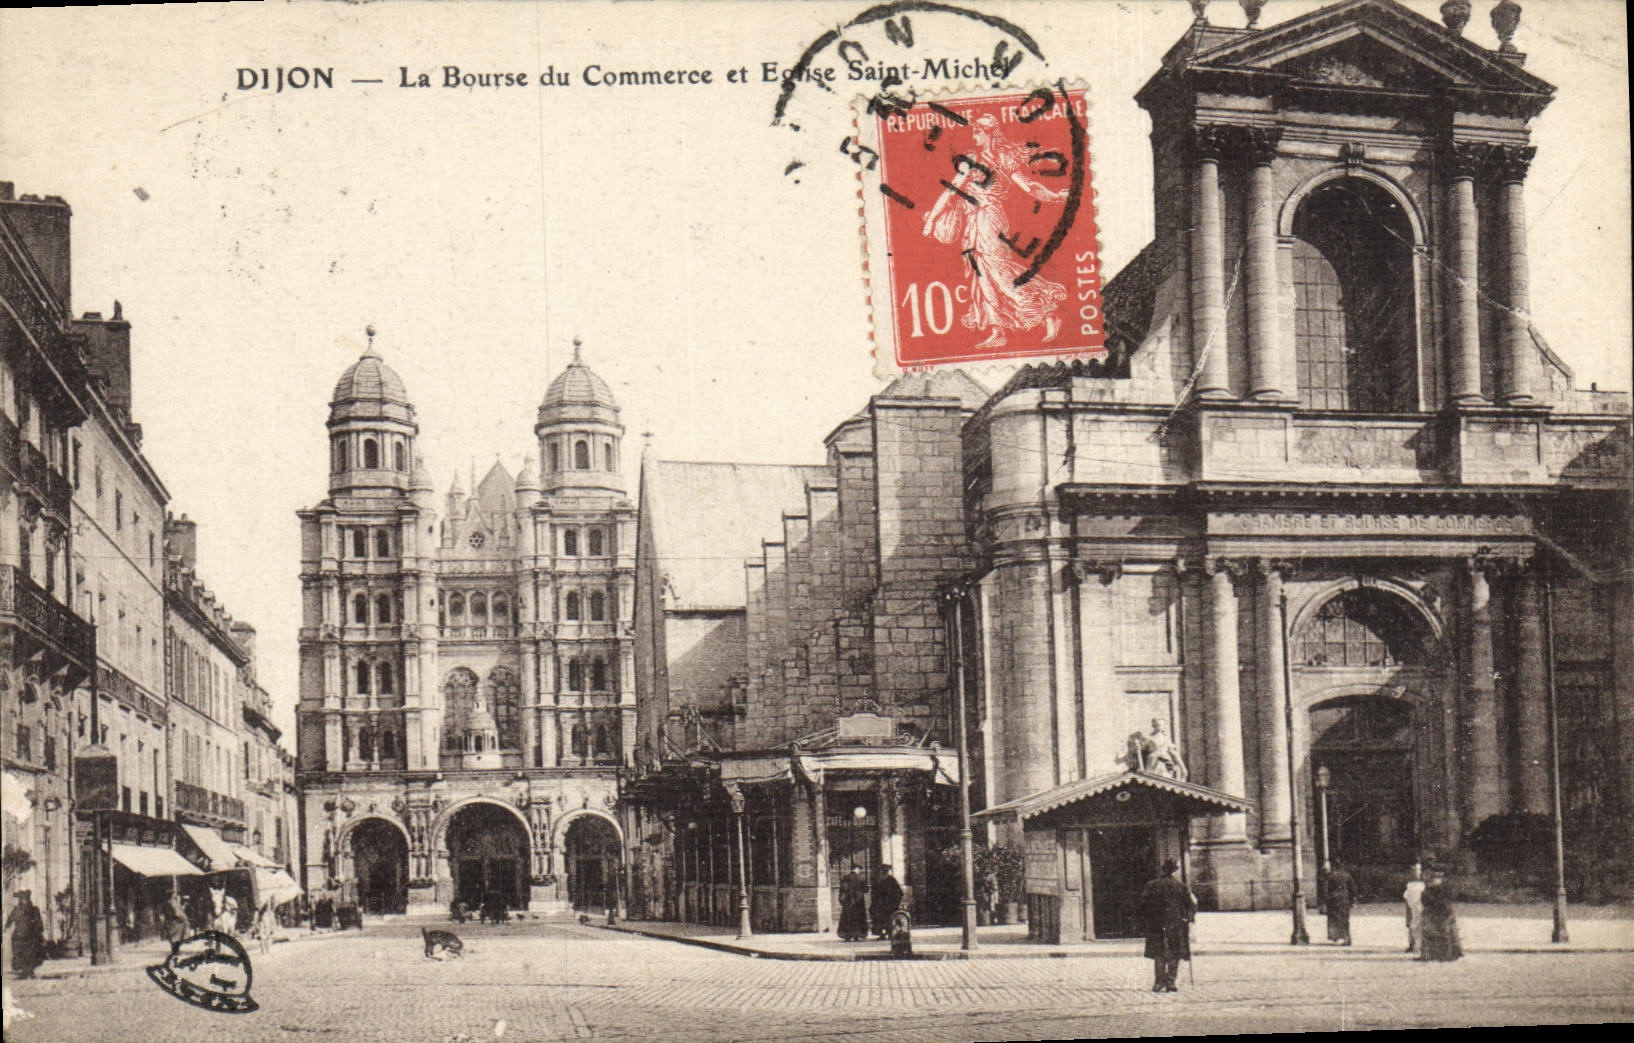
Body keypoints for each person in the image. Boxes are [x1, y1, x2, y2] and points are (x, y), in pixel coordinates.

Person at [921, 114, 1069, 350]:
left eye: (979, 132)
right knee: (982, 276)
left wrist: (1055, 196)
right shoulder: (971, 159)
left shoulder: (1004, 159)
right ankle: (997, 330)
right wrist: (932, 218)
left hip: (990, 219)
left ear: (989, 134)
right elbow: (952, 190)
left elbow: (1029, 186)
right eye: (974, 132)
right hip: (973, 223)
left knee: (1000, 274)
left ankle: (1047, 313)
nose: (975, 137)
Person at [1140, 859, 1195, 993]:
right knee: (1174, 952)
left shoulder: (1152, 885)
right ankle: (1171, 982)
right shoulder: (1181, 886)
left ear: (1163, 869)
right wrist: (1187, 919)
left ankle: (1159, 982)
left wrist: (1149, 918)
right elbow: (1190, 906)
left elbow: (1143, 904)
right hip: (1176, 924)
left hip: (1157, 924)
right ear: (1175, 871)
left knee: (1159, 953)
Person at [1419, 866, 1462, 962]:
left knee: (1444, 933)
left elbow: (1445, 901)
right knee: (1432, 933)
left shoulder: (1443, 888)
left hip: (1442, 913)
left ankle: (1447, 954)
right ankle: (1431, 954)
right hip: (1435, 913)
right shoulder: (1429, 889)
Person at [5, 890, 46, 980]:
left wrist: (39, 932)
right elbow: (10, 918)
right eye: (20, 899)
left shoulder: (33, 910)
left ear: (28, 899)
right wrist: (6, 926)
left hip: (30, 935)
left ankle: (30, 971)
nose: (22, 901)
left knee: (30, 953)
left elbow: (38, 921)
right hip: (19, 935)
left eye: (24, 899)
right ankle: (24, 971)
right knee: (19, 953)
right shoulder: (16, 910)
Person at [1324, 863, 1356, 946]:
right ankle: (1347, 938)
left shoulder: (1331, 876)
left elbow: (1325, 889)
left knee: (1335, 919)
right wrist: (1352, 900)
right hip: (1344, 900)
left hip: (1333, 900)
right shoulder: (1347, 875)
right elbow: (1352, 889)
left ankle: (1336, 937)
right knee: (1345, 919)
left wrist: (1326, 900)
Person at [871, 865, 904, 940]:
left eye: (884, 871)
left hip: (889, 904)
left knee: (889, 919)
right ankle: (882, 934)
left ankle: (889, 934)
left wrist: (895, 902)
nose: (882, 872)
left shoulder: (891, 880)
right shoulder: (880, 880)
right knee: (880, 919)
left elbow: (899, 892)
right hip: (882, 904)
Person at [838, 865, 869, 942]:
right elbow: (866, 889)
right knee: (858, 918)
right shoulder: (861, 878)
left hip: (848, 902)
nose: (860, 871)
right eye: (859, 869)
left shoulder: (846, 877)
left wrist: (842, 900)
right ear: (857, 869)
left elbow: (843, 889)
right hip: (859, 902)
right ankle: (856, 936)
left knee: (848, 918)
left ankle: (847, 936)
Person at [1402, 862, 1426, 954]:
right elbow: (1407, 897)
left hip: (1420, 906)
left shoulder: (1423, 884)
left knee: (1419, 925)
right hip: (1412, 906)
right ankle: (1412, 944)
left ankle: (1420, 945)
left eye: (1418, 870)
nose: (1416, 873)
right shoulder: (1410, 885)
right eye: (1414, 870)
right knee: (1411, 924)